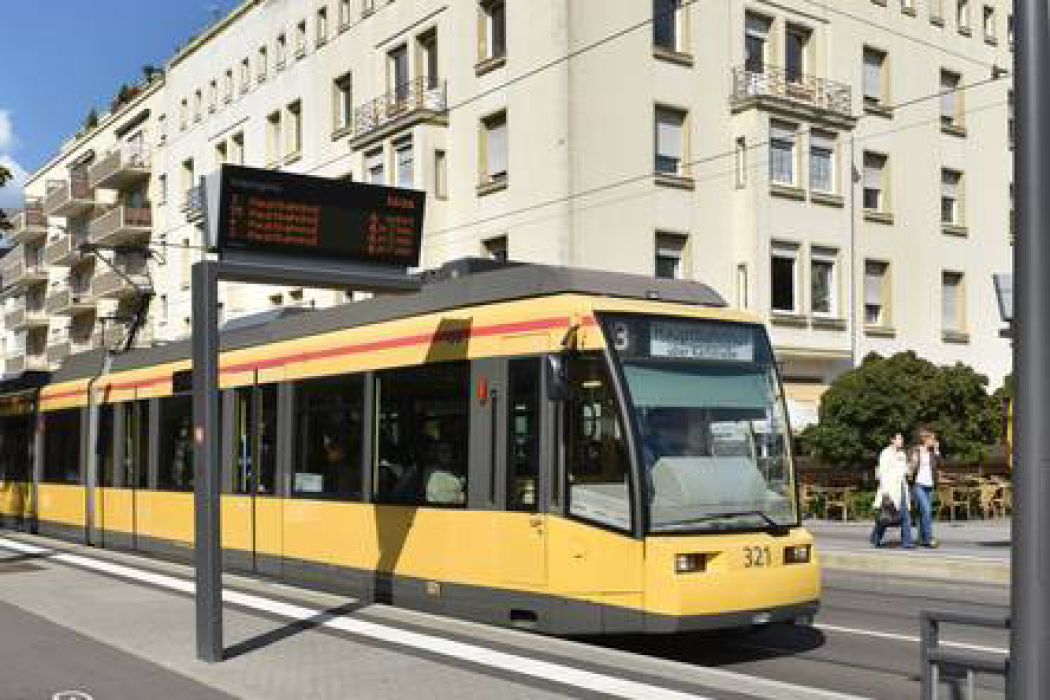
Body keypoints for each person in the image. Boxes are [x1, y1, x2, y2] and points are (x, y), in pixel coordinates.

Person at [870, 432, 914, 549]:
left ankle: (907, 542)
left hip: (901, 488)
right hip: (889, 489)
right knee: (887, 517)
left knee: (905, 515)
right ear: (892, 440)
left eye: (902, 438)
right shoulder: (885, 453)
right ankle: (875, 537)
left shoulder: (902, 454)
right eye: (899, 438)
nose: (902, 440)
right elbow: (882, 473)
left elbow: (905, 471)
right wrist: (885, 491)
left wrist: (909, 469)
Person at [909, 427, 941, 548]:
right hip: (918, 485)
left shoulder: (932, 453)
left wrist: (937, 450)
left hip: (929, 485)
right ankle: (929, 539)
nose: (934, 441)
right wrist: (913, 462)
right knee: (926, 511)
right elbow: (910, 466)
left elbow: (938, 465)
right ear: (925, 439)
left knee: (923, 512)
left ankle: (921, 538)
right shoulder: (915, 451)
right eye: (932, 439)